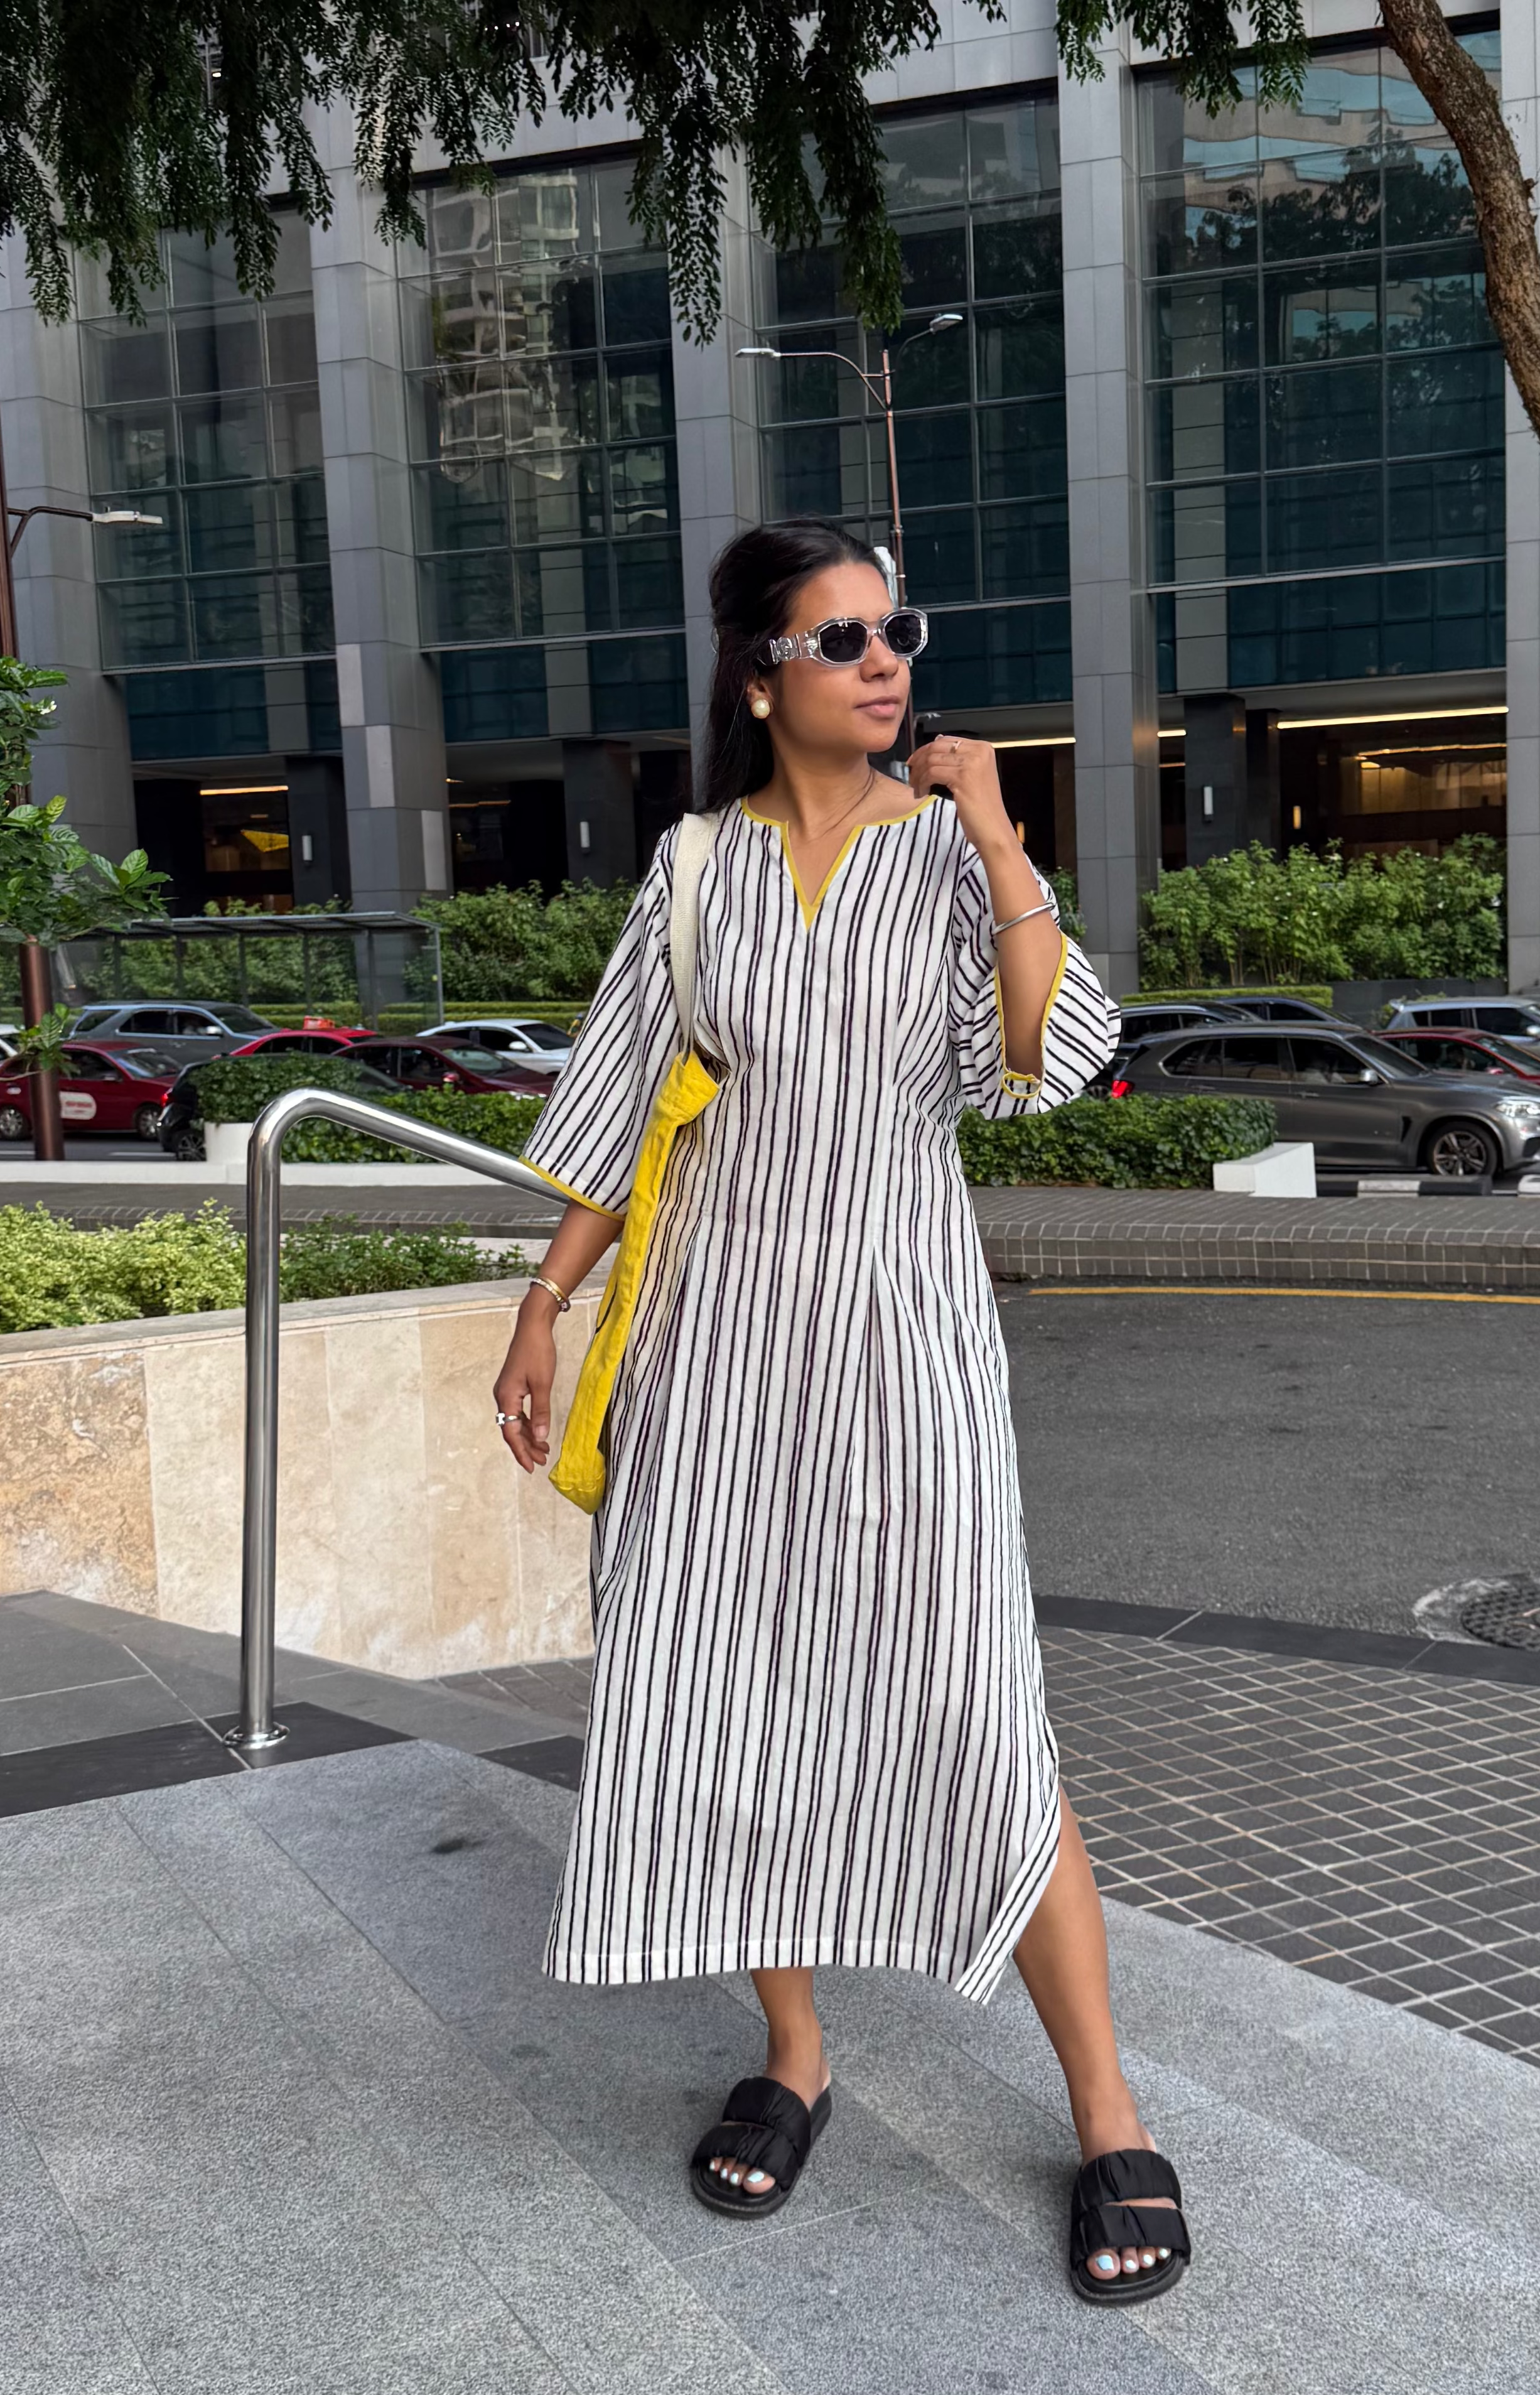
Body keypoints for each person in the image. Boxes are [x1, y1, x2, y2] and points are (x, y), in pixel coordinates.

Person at [492, 517, 1191, 2303]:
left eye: (896, 634)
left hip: (903, 1333)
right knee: (728, 1693)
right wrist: (545, 1306)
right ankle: (798, 2057)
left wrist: (999, 829)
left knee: (973, 1701)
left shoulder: (949, 854)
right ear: (760, 680)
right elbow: (624, 1091)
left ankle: (1109, 2113)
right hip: (717, 1339)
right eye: (844, 638)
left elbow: (1043, 1060)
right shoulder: (698, 870)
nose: (887, 663)